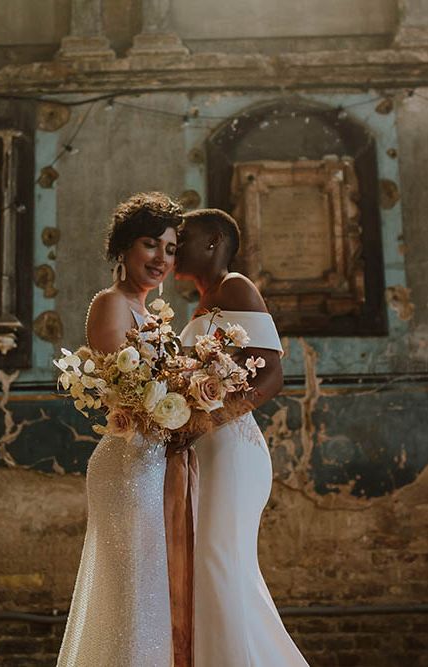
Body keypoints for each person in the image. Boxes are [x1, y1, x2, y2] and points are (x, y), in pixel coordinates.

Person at [169, 208, 310, 666]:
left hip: (232, 450)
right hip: (206, 451)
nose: (173, 248)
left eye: (182, 239)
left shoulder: (235, 286)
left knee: (217, 564)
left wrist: (200, 424)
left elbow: (272, 375)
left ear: (212, 241)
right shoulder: (203, 300)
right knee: (217, 570)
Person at [56, 192, 182, 666]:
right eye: (151, 244)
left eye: (170, 249)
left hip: (153, 465)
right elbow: (126, 394)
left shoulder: (150, 314)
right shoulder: (111, 304)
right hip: (129, 468)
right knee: (133, 597)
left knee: (152, 595)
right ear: (125, 247)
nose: (162, 259)